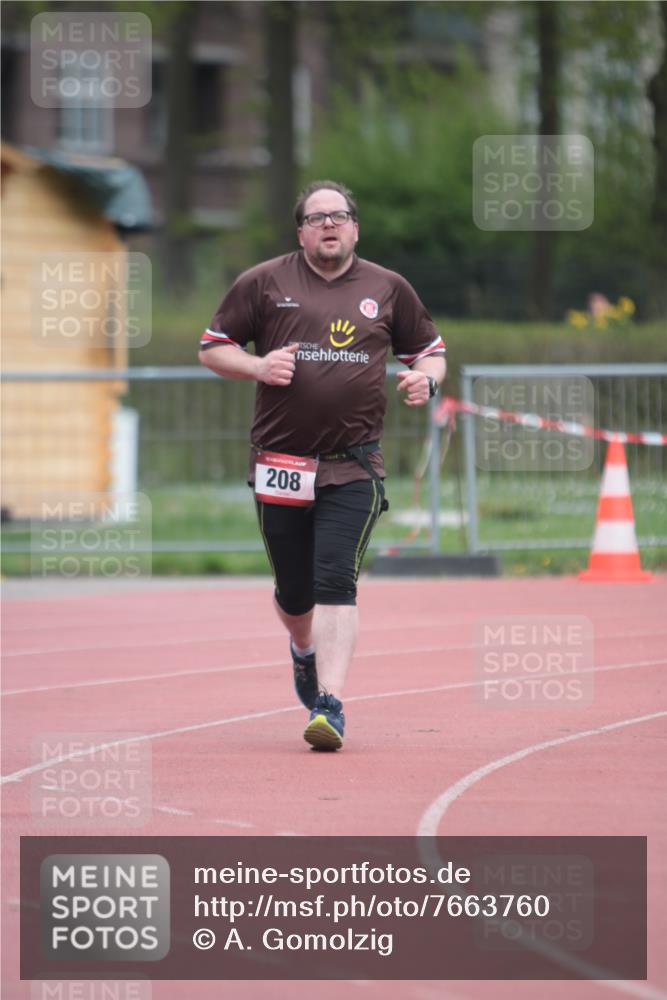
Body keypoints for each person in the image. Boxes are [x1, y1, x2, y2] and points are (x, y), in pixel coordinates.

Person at [198, 180, 445, 751]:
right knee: (294, 593)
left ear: (355, 227)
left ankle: (330, 705)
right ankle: (302, 650)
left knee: (338, 579)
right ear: (301, 231)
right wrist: (257, 367)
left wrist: (425, 381)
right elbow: (213, 347)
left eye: (339, 216)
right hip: (281, 462)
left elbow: (430, 351)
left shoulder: (388, 288)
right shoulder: (264, 282)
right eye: (316, 218)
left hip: (354, 464)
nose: (329, 224)